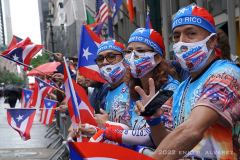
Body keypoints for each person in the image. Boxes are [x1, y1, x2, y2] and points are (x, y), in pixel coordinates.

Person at [135, 6, 240, 159]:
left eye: (191, 33)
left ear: (212, 41)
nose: (182, 42)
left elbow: (192, 131)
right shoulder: (181, 88)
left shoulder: (226, 74)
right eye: (176, 36)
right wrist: (153, 119)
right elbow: (168, 144)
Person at [93, 28, 179, 149]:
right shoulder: (134, 91)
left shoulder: (170, 90)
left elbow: (156, 137)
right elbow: (127, 127)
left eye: (140, 50)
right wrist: (95, 129)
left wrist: (108, 130)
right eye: (129, 51)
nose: (133, 56)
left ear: (157, 58)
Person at [77, 40, 131, 139]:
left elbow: (141, 132)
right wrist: (94, 130)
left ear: (124, 59)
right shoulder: (108, 91)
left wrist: (106, 124)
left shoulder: (134, 89)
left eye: (111, 57)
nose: (105, 62)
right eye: (100, 59)